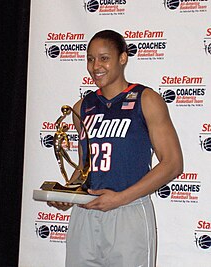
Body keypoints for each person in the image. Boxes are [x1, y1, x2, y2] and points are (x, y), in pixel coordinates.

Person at [48, 29, 183, 267]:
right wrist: (67, 194)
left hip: (129, 211)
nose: (95, 66)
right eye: (90, 59)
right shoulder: (82, 107)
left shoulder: (146, 99)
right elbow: (84, 166)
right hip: (86, 212)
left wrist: (120, 199)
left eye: (104, 58)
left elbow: (172, 164)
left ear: (123, 58)